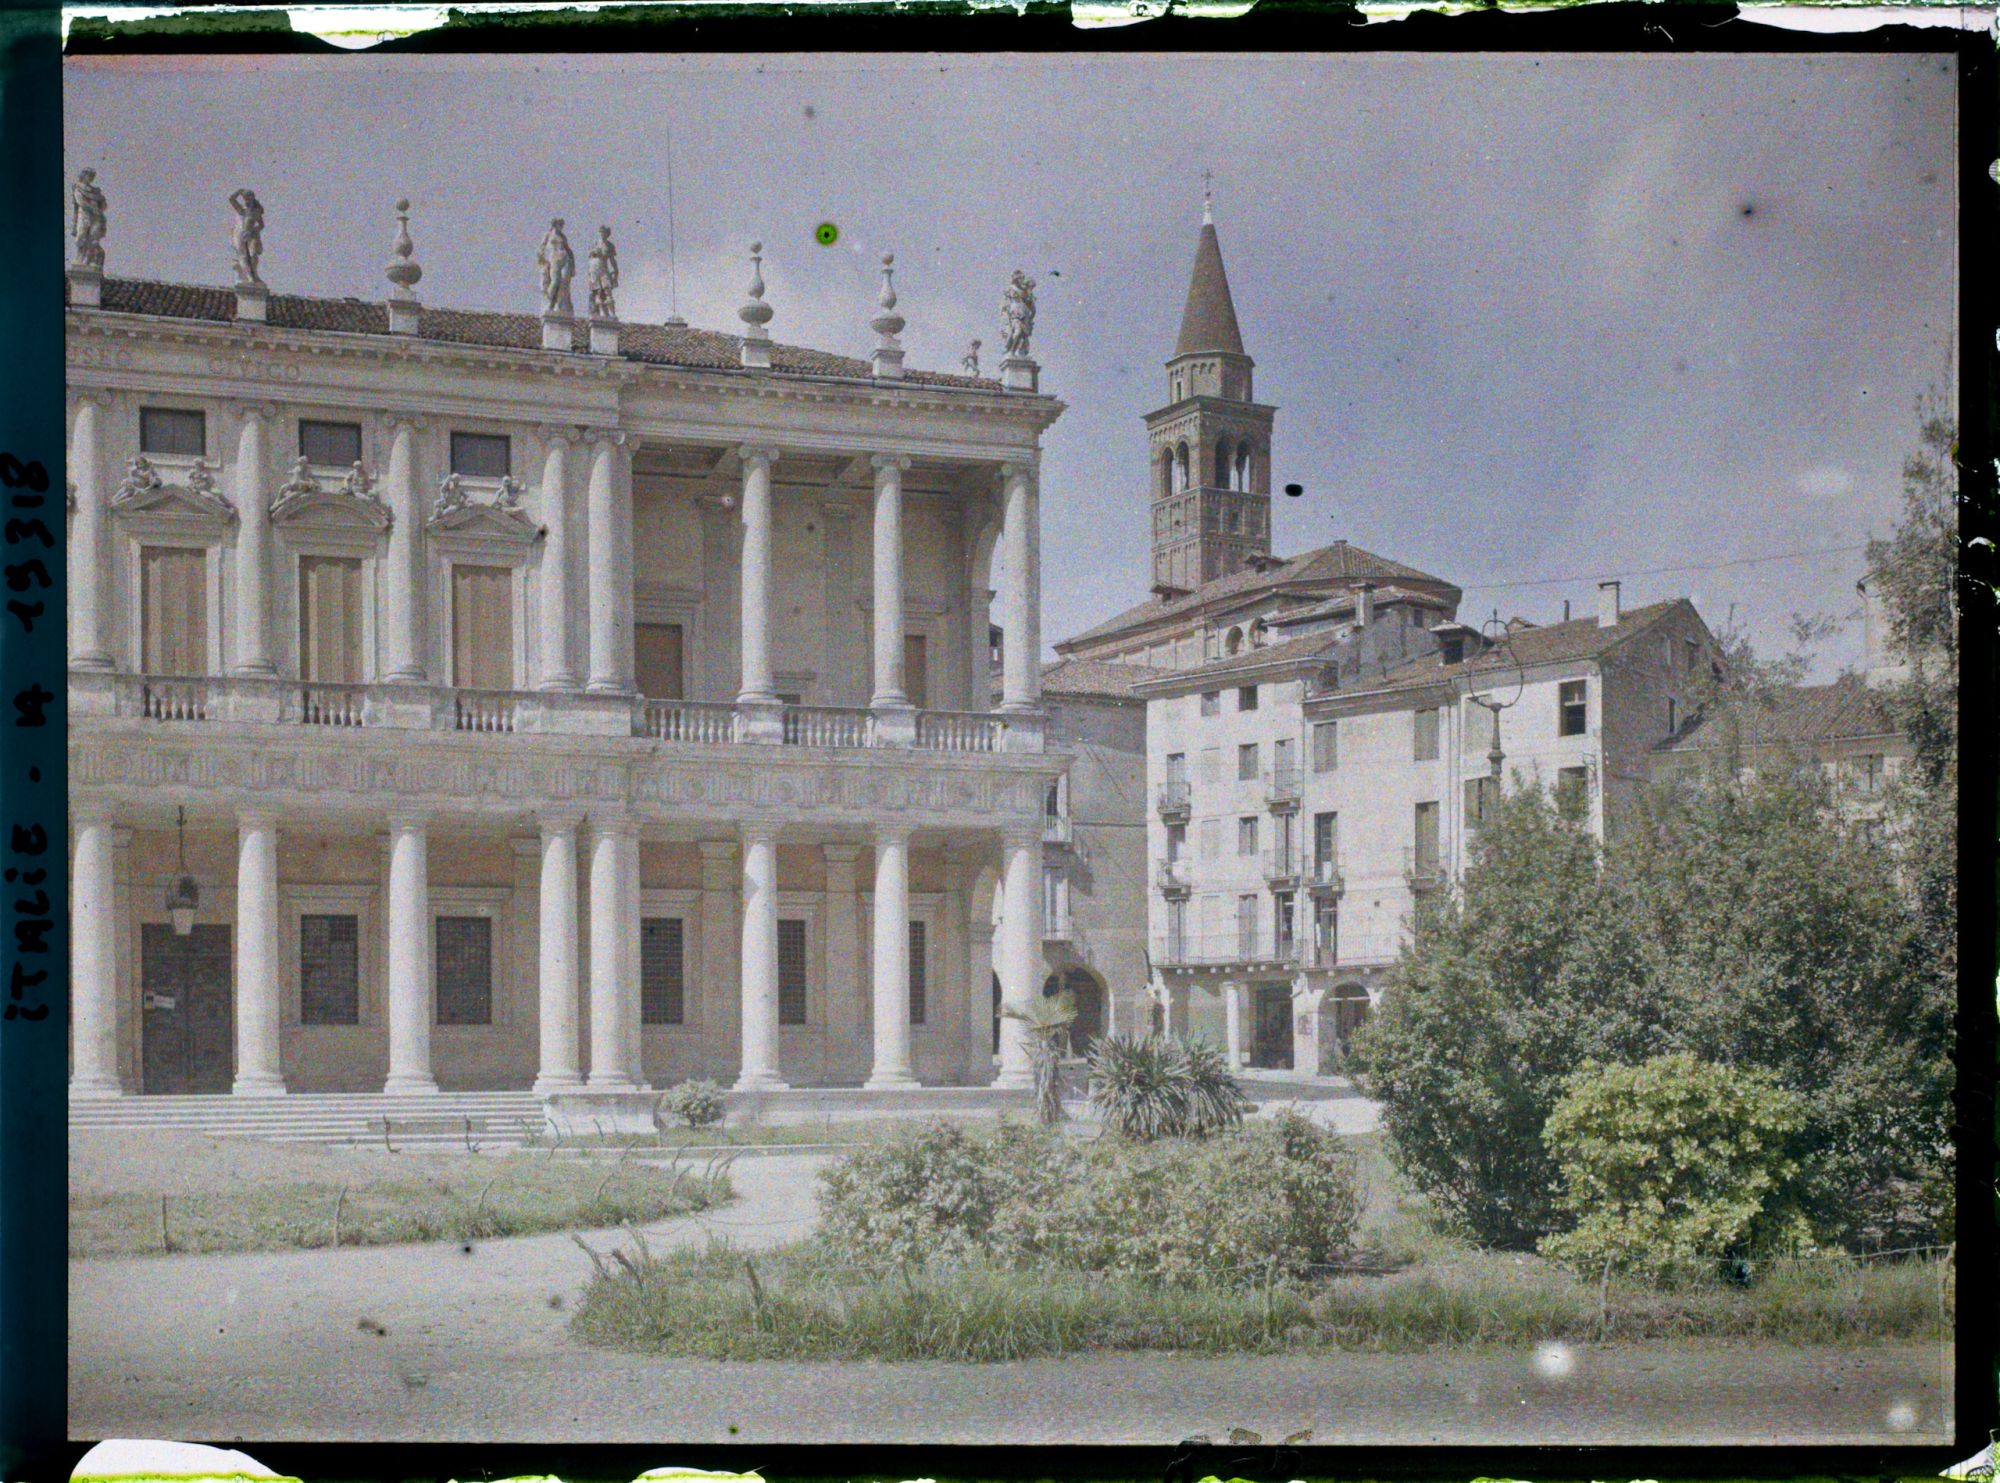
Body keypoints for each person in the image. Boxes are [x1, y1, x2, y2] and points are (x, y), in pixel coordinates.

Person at [228, 188, 265, 286]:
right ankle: (249, 276)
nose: (247, 200)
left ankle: (254, 274)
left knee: (253, 255)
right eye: (245, 198)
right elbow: (231, 199)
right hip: (241, 234)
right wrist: (239, 191)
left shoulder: (256, 211)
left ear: (253, 198)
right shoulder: (241, 210)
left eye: (249, 197)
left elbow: (261, 224)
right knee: (243, 255)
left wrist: (254, 231)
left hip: (252, 235)